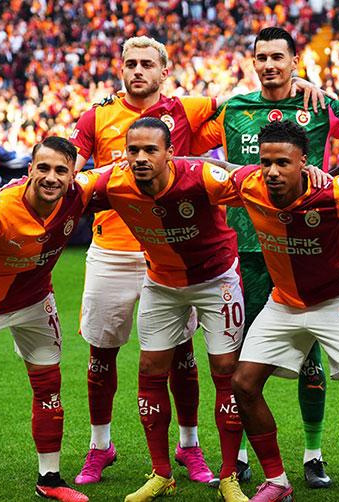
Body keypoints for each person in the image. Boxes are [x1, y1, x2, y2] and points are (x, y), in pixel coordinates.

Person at [190, 27, 339, 487]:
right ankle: (238, 455)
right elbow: (183, 139)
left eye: (278, 57)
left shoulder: (318, 106)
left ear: (295, 61)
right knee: (239, 357)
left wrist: (325, 93)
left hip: (306, 248)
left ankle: (313, 455)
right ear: (253, 62)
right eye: (262, 57)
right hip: (244, 251)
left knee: (311, 354)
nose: (269, 65)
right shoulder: (234, 109)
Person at [69, 35, 217, 485]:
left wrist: (301, 85)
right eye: (130, 63)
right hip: (111, 253)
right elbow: (70, 171)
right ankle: (100, 446)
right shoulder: (97, 115)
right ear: (121, 69)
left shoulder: (187, 109)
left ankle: (189, 445)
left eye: (146, 64)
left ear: (163, 71)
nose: (137, 70)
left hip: (169, 252)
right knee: (101, 353)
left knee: (181, 354)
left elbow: (243, 108)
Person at [76, 117, 245, 502]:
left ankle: (229, 476)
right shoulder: (114, 181)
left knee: (225, 371)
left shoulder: (201, 177)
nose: (140, 158)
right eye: (133, 150)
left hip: (216, 280)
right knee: (150, 369)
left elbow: (252, 181)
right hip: (161, 283)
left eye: (150, 150)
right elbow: (69, 185)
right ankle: (161, 473)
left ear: (170, 153)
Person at [221, 120, 339, 502]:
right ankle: (277, 481)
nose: (272, 171)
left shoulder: (335, 192)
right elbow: (215, 168)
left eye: (283, 163)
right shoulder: (250, 184)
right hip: (285, 302)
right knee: (243, 383)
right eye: (266, 162)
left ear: (303, 161)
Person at [0, 136, 90, 502]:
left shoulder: (80, 195)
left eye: (61, 170)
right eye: (43, 168)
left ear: (72, 176)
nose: (51, 177)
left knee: (49, 387)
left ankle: (50, 479)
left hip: (36, 301)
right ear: (29, 170)